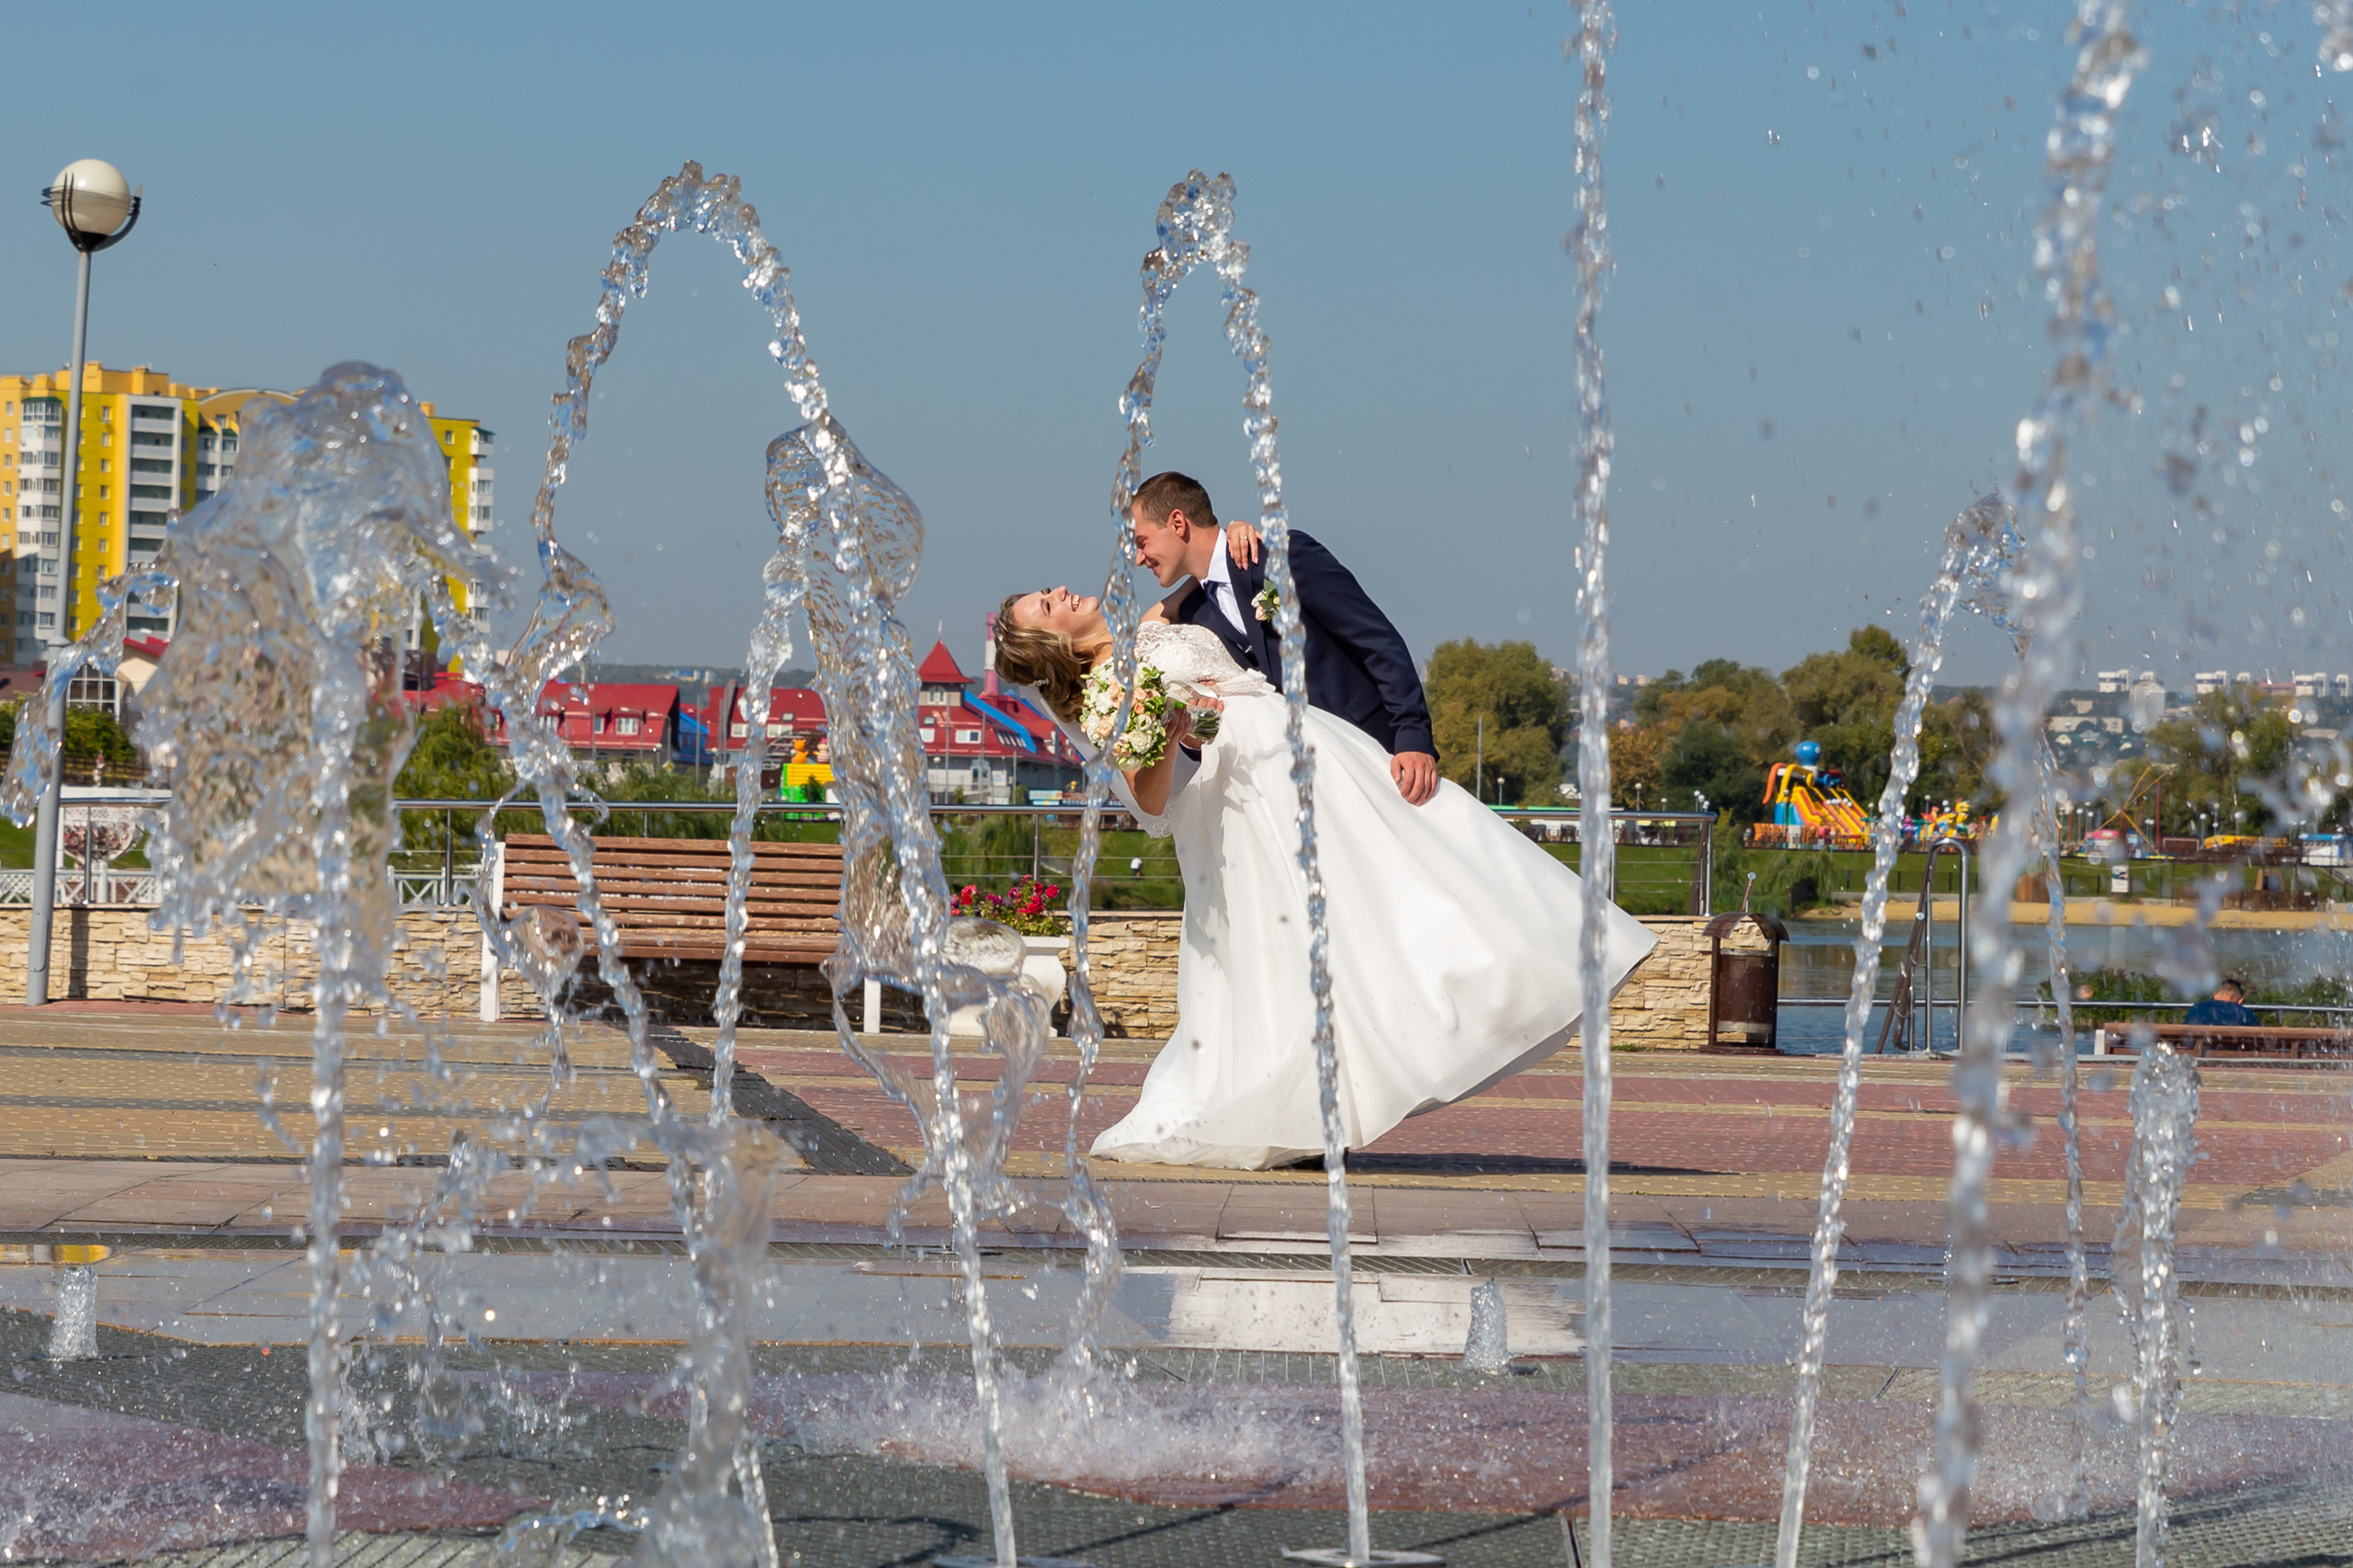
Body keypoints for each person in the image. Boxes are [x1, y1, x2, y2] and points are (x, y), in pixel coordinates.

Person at [992, 489, 1655, 1170]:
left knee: (1416, 878)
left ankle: (1540, 964)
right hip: (1257, 806)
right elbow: (1151, 804)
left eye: (1048, 590)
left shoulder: (1152, 624)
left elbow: (1207, 577)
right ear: (1052, 644)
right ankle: (1313, 1101)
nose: (1064, 591)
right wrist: (1169, 736)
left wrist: (1234, 535)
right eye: (1048, 604)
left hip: (1314, 755)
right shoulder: (1105, 695)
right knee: (1306, 952)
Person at [2183, 977, 2256, 1027]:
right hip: (2232, 1049)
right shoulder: (2245, 1014)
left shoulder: (2197, 1009)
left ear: (2215, 995)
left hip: (2202, 1049)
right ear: (2240, 1001)